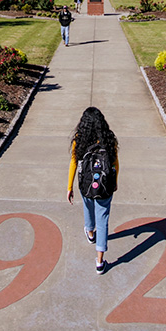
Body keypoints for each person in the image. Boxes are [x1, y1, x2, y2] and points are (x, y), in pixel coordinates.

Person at [67, 107, 119, 275]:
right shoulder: (109, 139)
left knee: (88, 206)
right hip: (105, 185)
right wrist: (115, 182)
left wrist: (69, 187)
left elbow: (74, 163)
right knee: (103, 219)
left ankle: (90, 232)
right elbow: (115, 164)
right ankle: (99, 260)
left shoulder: (79, 139)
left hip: (86, 183)